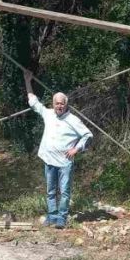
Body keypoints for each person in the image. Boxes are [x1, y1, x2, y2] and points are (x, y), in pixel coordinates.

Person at [24, 71, 93, 229]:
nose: (59, 106)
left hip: (64, 162)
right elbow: (33, 101)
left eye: (62, 103)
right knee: (50, 191)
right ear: (53, 104)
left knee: (64, 192)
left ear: (66, 104)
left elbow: (88, 135)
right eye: (57, 103)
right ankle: (52, 215)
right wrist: (27, 81)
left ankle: (62, 217)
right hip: (49, 160)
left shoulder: (73, 120)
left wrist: (76, 149)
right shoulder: (48, 114)